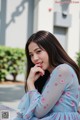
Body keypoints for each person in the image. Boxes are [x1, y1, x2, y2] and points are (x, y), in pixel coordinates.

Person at [13, 30, 80, 120]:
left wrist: (30, 82)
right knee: (4, 113)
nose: (35, 58)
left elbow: (38, 112)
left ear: (51, 48)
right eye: (31, 55)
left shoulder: (62, 70)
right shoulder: (49, 74)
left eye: (38, 51)